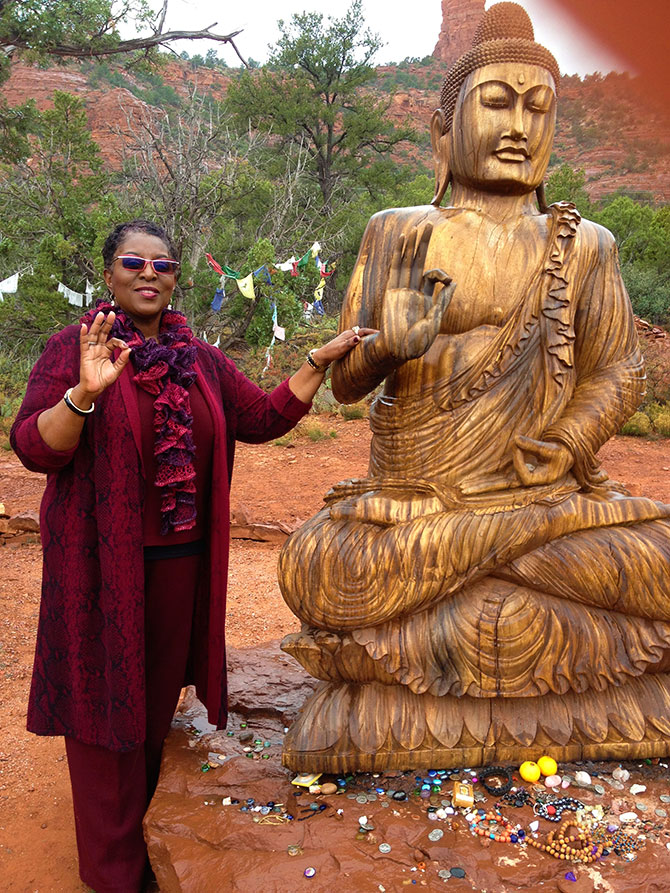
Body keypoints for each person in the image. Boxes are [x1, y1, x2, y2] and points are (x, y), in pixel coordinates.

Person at [278, 2, 670, 771]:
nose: (518, 125)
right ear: (443, 127)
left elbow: (619, 369)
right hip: (419, 504)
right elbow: (348, 385)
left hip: (540, 498)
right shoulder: (399, 230)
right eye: (496, 102)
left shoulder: (587, 245)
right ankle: (514, 579)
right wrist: (386, 348)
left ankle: (461, 590)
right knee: (318, 564)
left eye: (537, 107)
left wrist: (567, 442)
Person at [10, 218, 373, 892]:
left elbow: (259, 418)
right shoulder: (75, 346)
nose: (150, 274)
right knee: (101, 711)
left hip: (179, 567)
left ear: (177, 279)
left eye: (164, 265)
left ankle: (144, 834)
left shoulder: (197, 359)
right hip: (98, 564)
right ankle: (112, 871)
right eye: (133, 262)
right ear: (110, 273)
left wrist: (317, 363)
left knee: (148, 711)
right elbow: (35, 447)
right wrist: (84, 395)